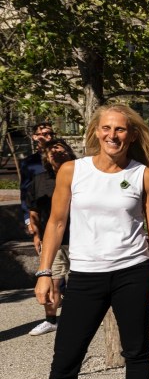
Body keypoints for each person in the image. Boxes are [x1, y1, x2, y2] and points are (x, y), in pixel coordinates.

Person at [34, 105, 149, 379]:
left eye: (120, 129)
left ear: (132, 135)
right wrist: (45, 271)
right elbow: (57, 223)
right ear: (95, 131)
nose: (113, 135)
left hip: (132, 274)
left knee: (136, 355)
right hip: (86, 277)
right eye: (106, 128)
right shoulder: (72, 171)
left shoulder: (144, 176)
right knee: (65, 360)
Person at [26, 139, 77, 336]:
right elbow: (33, 212)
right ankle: (50, 320)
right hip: (52, 240)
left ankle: (77, 318)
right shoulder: (39, 180)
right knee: (53, 281)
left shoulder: (79, 175)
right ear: (46, 158)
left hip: (78, 238)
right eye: (52, 153)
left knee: (78, 282)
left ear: (69, 153)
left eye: (61, 150)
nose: (56, 154)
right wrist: (37, 236)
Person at [20, 122, 54, 237]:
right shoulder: (29, 163)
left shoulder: (61, 158)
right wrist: (28, 220)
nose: (49, 137)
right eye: (44, 134)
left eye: (51, 134)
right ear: (35, 137)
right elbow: (25, 192)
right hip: (41, 215)